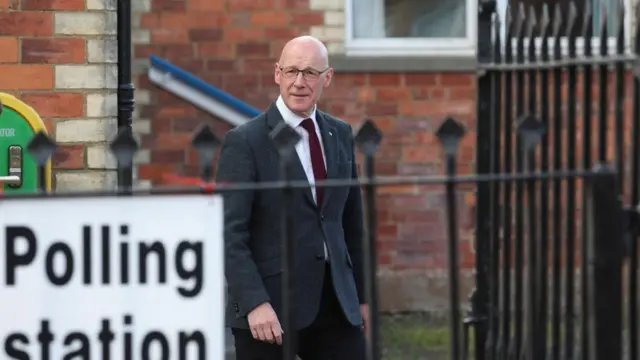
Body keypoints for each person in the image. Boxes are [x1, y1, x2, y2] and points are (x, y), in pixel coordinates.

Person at [216, 35, 368, 360]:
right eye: (292, 71)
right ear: (277, 74)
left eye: (310, 73)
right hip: (270, 308)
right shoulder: (245, 142)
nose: (299, 82)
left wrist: (362, 297)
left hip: (335, 302)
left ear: (327, 78)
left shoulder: (339, 133)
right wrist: (254, 303)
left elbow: (351, 222)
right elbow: (229, 234)